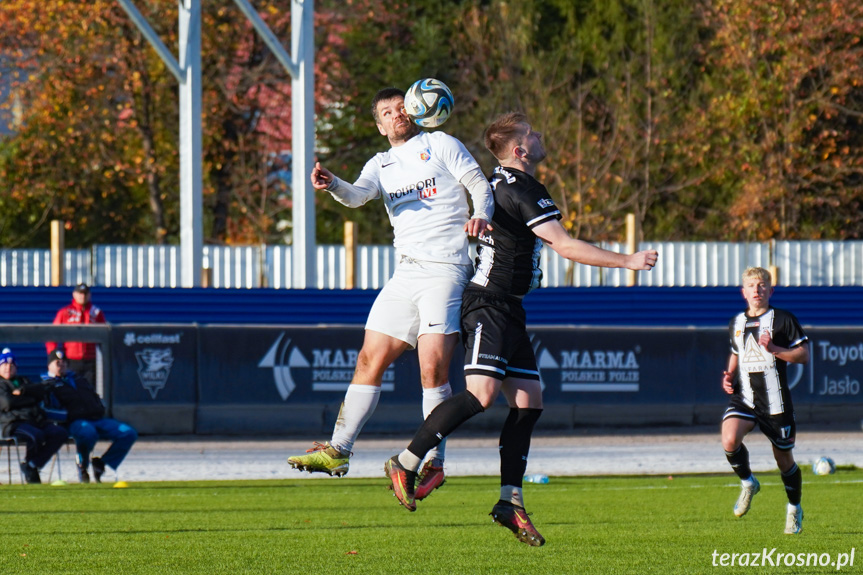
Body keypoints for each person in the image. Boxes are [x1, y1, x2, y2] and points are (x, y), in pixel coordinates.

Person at [383, 112, 658, 546]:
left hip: (509, 308)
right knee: (482, 394)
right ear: (520, 150)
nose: (541, 136)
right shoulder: (520, 187)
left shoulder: (496, 185)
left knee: (529, 403)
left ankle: (509, 501)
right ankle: (406, 459)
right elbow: (564, 245)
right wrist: (627, 261)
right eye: (533, 134)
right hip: (488, 304)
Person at [287, 86, 494, 501]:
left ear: (415, 111)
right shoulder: (381, 164)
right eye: (387, 111)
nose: (397, 114)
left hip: (446, 270)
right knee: (369, 358)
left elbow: (479, 183)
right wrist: (332, 184)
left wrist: (481, 214)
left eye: (402, 107)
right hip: (405, 275)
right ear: (379, 125)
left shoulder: (440, 143)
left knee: (431, 370)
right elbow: (358, 196)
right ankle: (338, 450)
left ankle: (430, 463)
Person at [720, 266, 809, 534]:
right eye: (751, 286)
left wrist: (775, 349)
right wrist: (729, 374)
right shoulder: (736, 322)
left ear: (770, 290)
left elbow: (803, 354)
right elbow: (736, 351)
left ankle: (794, 508)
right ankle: (748, 482)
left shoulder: (783, 319)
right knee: (729, 439)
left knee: (784, 460)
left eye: (762, 286)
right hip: (745, 398)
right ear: (743, 292)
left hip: (776, 402)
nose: (756, 290)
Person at [42, 349, 137, 484]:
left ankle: (102, 463)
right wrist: (68, 416)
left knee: (128, 433)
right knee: (88, 433)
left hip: (96, 419)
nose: (61, 365)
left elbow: (95, 397)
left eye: (64, 362)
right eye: (57, 362)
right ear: (49, 365)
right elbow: (47, 410)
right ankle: (82, 465)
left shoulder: (78, 379)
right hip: (74, 422)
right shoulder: (46, 384)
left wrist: (99, 408)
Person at [0, 348, 68, 484]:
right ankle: (31, 472)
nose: (8, 368)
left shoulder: (23, 380)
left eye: (11, 365)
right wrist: (30, 398)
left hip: (34, 419)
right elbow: (7, 402)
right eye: (4, 364)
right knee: (36, 435)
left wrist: (24, 393)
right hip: (13, 422)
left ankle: (32, 464)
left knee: (60, 433)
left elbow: (41, 391)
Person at [46, 283, 107, 385]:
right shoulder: (65, 312)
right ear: (74, 294)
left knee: (89, 390)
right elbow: (52, 335)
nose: (82, 296)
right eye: (80, 293)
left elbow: (104, 335)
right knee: (71, 388)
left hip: (91, 360)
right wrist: (54, 356)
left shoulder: (96, 313)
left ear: (89, 295)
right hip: (71, 360)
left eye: (85, 294)